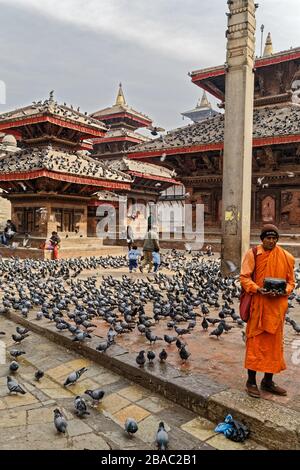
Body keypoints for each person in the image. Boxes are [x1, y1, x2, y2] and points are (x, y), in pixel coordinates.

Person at [240, 224, 295, 399]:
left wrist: (283, 291)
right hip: (259, 307)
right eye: (268, 238)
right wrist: (257, 289)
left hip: (276, 309)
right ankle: (251, 381)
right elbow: (244, 277)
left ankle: (268, 381)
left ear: (277, 239)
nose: (271, 241)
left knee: (273, 347)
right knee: (255, 345)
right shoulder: (253, 254)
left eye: (274, 238)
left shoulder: (286, 257)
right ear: (262, 239)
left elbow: (291, 282)